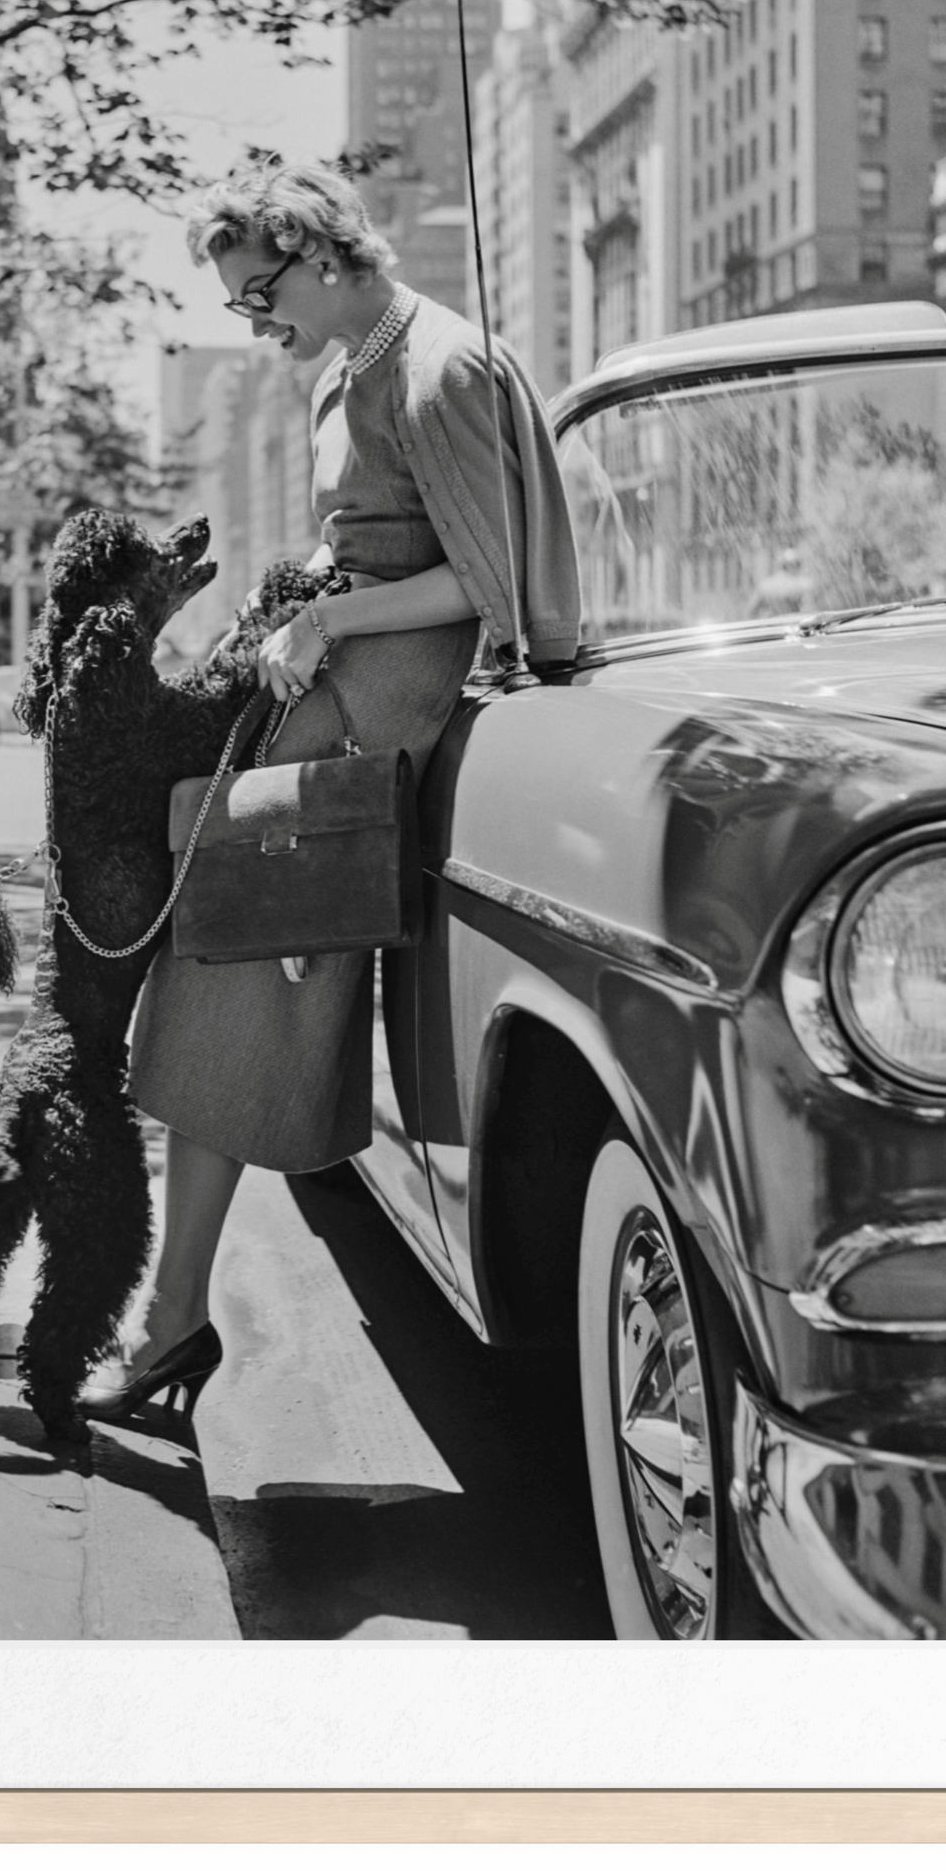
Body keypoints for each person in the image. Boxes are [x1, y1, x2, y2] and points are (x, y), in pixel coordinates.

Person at [89, 161, 581, 1429]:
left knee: (226, 983)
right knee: (212, 985)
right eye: (242, 310)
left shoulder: (440, 368)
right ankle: (170, 1317)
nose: (257, 324)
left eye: (260, 295)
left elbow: (494, 582)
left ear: (317, 249)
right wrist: (297, 586)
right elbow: (361, 535)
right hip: (330, 707)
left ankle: (170, 1322)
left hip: (379, 733)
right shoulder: (346, 370)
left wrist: (337, 618)